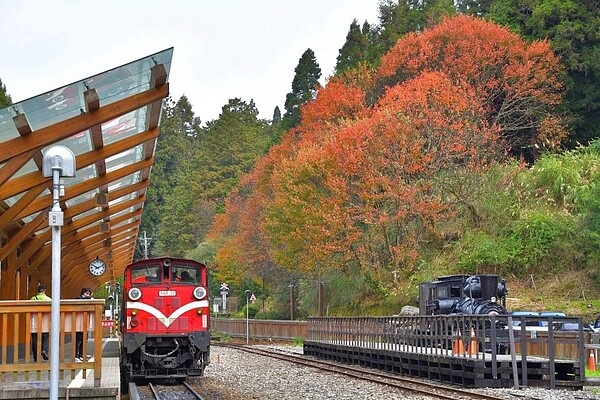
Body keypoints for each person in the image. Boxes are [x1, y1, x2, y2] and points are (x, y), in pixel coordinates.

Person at [30, 283, 51, 361]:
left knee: (35, 338)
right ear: (45, 290)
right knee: (45, 337)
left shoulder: (33, 299)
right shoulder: (48, 299)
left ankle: (35, 355)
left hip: (34, 322)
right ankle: (44, 350)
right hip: (45, 323)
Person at [75, 287, 92, 362]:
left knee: (84, 340)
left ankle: (81, 355)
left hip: (85, 323)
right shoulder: (78, 299)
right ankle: (76, 355)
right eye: (86, 293)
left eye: (89, 294)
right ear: (83, 293)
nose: (88, 295)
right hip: (78, 324)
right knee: (78, 340)